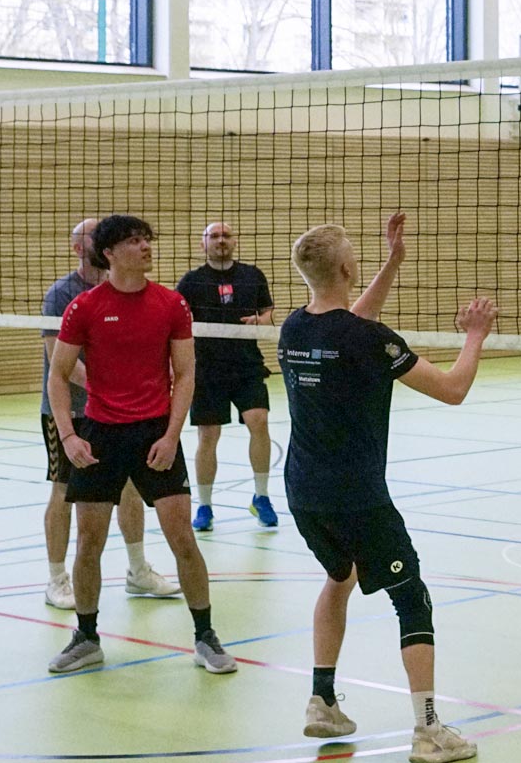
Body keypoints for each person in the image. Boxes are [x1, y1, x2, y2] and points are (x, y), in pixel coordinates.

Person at [279, 213, 494, 763]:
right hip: (357, 496)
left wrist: (394, 261)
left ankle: (322, 700)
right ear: (347, 269)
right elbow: (453, 389)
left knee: (340, 576)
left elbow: (350, 325)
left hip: (303, 491)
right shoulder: (370, 340)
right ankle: (428, 730)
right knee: (411, 598)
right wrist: (474, 336)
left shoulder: (296, 328)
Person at [46, 215, 236, 675]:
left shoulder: (171, 304)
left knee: (183, 539)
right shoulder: (84, 307)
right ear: (109, 253)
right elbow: (58, 373)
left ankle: (205, 636)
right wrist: (69, 436)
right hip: (100, 435)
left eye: (147, 239)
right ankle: (87, 637)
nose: (146, 247)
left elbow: (185, 374)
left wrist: (171, 436)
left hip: (155, 434)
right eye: (135, 241)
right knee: (89, 543)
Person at [41, 219, 179, 609]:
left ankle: (137, 570)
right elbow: (60, 362)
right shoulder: (63, 295)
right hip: (71, 411)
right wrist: (109, 390)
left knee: (130, 487)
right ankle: (57, 578)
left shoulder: (133, 291)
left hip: (117, 413)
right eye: (91, 234)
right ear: (84, 248)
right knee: (63, 490)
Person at [175, 222, 277, 531]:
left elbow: (268, 312)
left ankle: (261, 497)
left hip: (247, 365)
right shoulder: (192, 281)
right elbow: (178, 321)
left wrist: (261, 320)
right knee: (208, 436)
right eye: (215, 236)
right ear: (203, 243)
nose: (221, 240)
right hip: (207, 369)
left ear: (235, 241)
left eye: (226, 236)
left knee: (259, 421)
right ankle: (204, 505)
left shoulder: (252, 275)